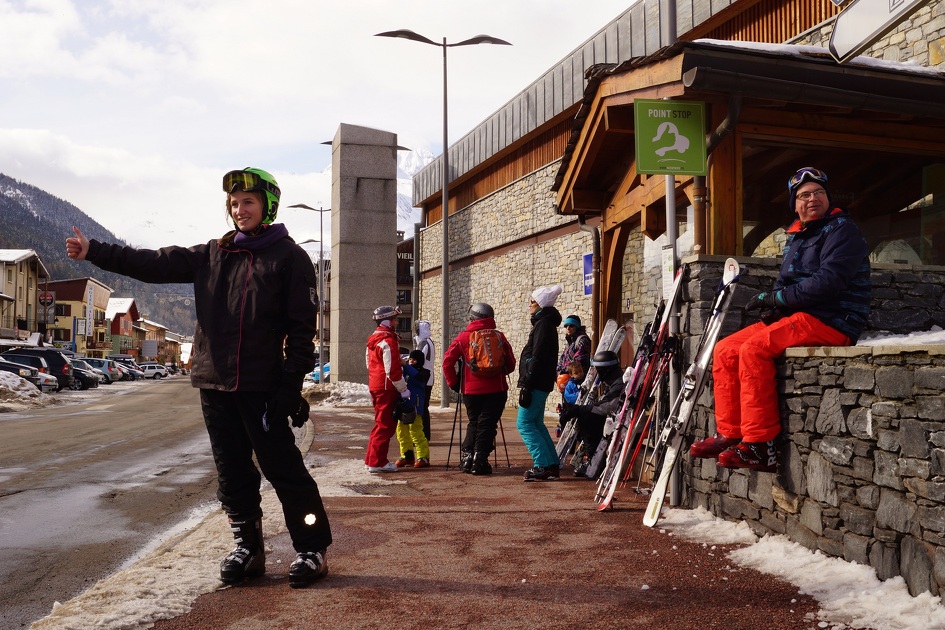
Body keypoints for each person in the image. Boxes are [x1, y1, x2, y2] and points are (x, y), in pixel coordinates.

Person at [64, 167, 331, 588]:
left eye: (248, 202)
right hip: (214, 383)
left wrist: (289, 386)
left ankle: (311, 548)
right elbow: (149, 263)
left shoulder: (289, 258)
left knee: (284, 468)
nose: (239, 210)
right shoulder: (212, 254)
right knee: (231, 471)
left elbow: (302, 333)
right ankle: (249, 547)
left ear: (267, 205)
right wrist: (93, 250)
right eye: (234, 203)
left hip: (262, 386)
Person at [689, 167, 872, 472]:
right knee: (725, 349)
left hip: (834, 318)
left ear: (828, 197)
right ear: (795, 204)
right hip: (801, 315)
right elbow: (785, 283)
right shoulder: (798, 235)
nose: (812, 199)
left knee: (754, 349)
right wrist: (773, 306)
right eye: (804, 195)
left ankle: (759, 446)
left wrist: (777, 300)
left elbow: (829, 282)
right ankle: (731, 433)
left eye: (818, 193)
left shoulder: (842, 230)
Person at [442, 302, 516, 475]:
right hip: (496, 389)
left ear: (472, 318)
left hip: (471, 390)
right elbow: (511, 365)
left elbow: (447, 362)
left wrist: (453, 382)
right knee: (487, 424)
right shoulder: (499, 336)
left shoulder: (463, 338)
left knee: (474, 422)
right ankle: (480, 459)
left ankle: (468, 456)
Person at [517, 284, 564, 481]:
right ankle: (551, 463)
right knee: (536, 422)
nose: (529, 306)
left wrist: (527, 382)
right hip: (541, 381)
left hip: (536, 382)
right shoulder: (545, 323)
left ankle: (542, 464)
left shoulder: (543, 324)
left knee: (525, 423)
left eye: (533, 302)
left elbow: (537, 356)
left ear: (541, 305)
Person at [558, 350, 626, 477]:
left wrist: (579, 410)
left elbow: (607, 406)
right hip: (611, 420)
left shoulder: (619, 382)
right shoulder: (612, 381)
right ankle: (590, 456)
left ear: (606, 370)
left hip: (618, 423)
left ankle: (595, 461)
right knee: (585, 414)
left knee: (588, 416)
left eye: (599, 370)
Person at [365, 305, 411, 474]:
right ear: (387, 322)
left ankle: (371, 459)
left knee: (379, 424)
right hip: (387, 388)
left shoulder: (373, 340)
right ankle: (378, 463)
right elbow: (392, 370)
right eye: (394, 320)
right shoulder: (388, 341)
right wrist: (403, 389)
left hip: (377, 385)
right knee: (386, 426)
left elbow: (369, 364)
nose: (397, 323)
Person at [395, 350, 432, 468]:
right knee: (401, 432)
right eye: (410, 360)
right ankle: (407, 455)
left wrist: (405, 365)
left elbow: (417, 377)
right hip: (404, 406)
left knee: (416, 432)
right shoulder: (405, 371)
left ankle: (423, 457)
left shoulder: (424, 373)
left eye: (414, 360)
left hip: (416, 407)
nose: (411, 362)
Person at [413, 320, 436, 441]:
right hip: (428, 377)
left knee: (421, 408)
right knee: (423, 407)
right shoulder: (428, 341)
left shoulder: (423, 343)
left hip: (423, 378)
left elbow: (418, 360)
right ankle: (425, 435)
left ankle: (424, 435)